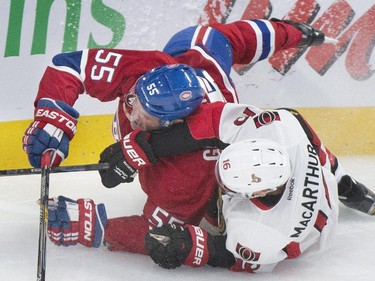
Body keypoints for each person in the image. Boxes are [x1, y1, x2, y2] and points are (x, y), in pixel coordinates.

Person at [22, 19, 327, 253]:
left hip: (207, 160)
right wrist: (53, 117)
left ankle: (336, 180)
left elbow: (161, 233)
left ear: (174, 122)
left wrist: (97, 228)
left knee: (213, 215)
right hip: (201, 66)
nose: (133, 112)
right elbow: (68, 66)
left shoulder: (187, 175)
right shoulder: (148, 67)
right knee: (208, 38)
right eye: (134, 98)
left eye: (147, 114)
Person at [142, 103, 375, 272]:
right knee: (315, 151)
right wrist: (151, 146)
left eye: (230, 186)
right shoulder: (283, 128)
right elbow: (221, 121)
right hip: (314, 183)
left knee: (215, 217)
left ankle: (341, 180)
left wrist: (191, 246)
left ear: (259, 192)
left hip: (307, 234)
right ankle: (344, 183)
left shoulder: (258, 231)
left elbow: (236, 258)